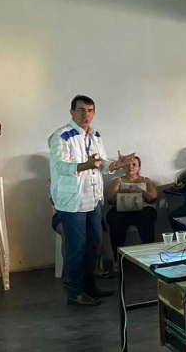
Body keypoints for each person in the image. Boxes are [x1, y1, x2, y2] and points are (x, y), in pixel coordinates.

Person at [49, 95, 135, 306]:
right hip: (73, 201)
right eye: (81, 110)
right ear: (71, 112)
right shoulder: (61, 136)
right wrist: (84, 166)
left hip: (93, 198)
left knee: (94, 244)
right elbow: (60, 166)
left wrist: (116, 165)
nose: (86, 115)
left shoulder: (95, 134)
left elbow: (101, 163)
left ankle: (89, 287)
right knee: (76, 247)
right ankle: (75, 292)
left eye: (90, 110)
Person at [104, 155, 158, 261]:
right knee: (115, 219)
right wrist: (121, 192)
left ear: (139, 168)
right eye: (128, 164)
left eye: (134, 165)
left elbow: (153, 198)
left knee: (147, 217)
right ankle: (117, 259)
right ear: (124, 167)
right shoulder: (118, 181)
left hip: (142, 210)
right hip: (122, 211)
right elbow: (109, 199)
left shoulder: (145, 180)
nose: (131, 167)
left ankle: (149, 256)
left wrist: (142, 192)